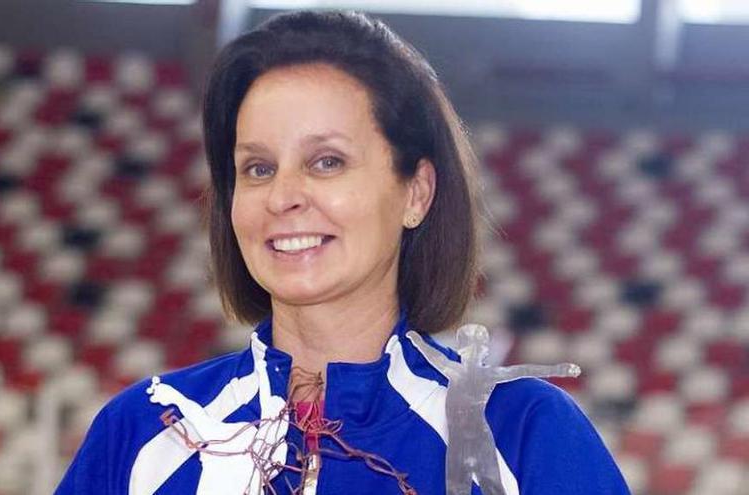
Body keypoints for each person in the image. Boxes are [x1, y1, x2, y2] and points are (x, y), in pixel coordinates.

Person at [56, 10, 631, 495]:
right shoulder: (141, 432)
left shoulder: (523, 432)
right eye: (257, 168)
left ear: (417, 192)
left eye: (326, 162)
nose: (283, 197)